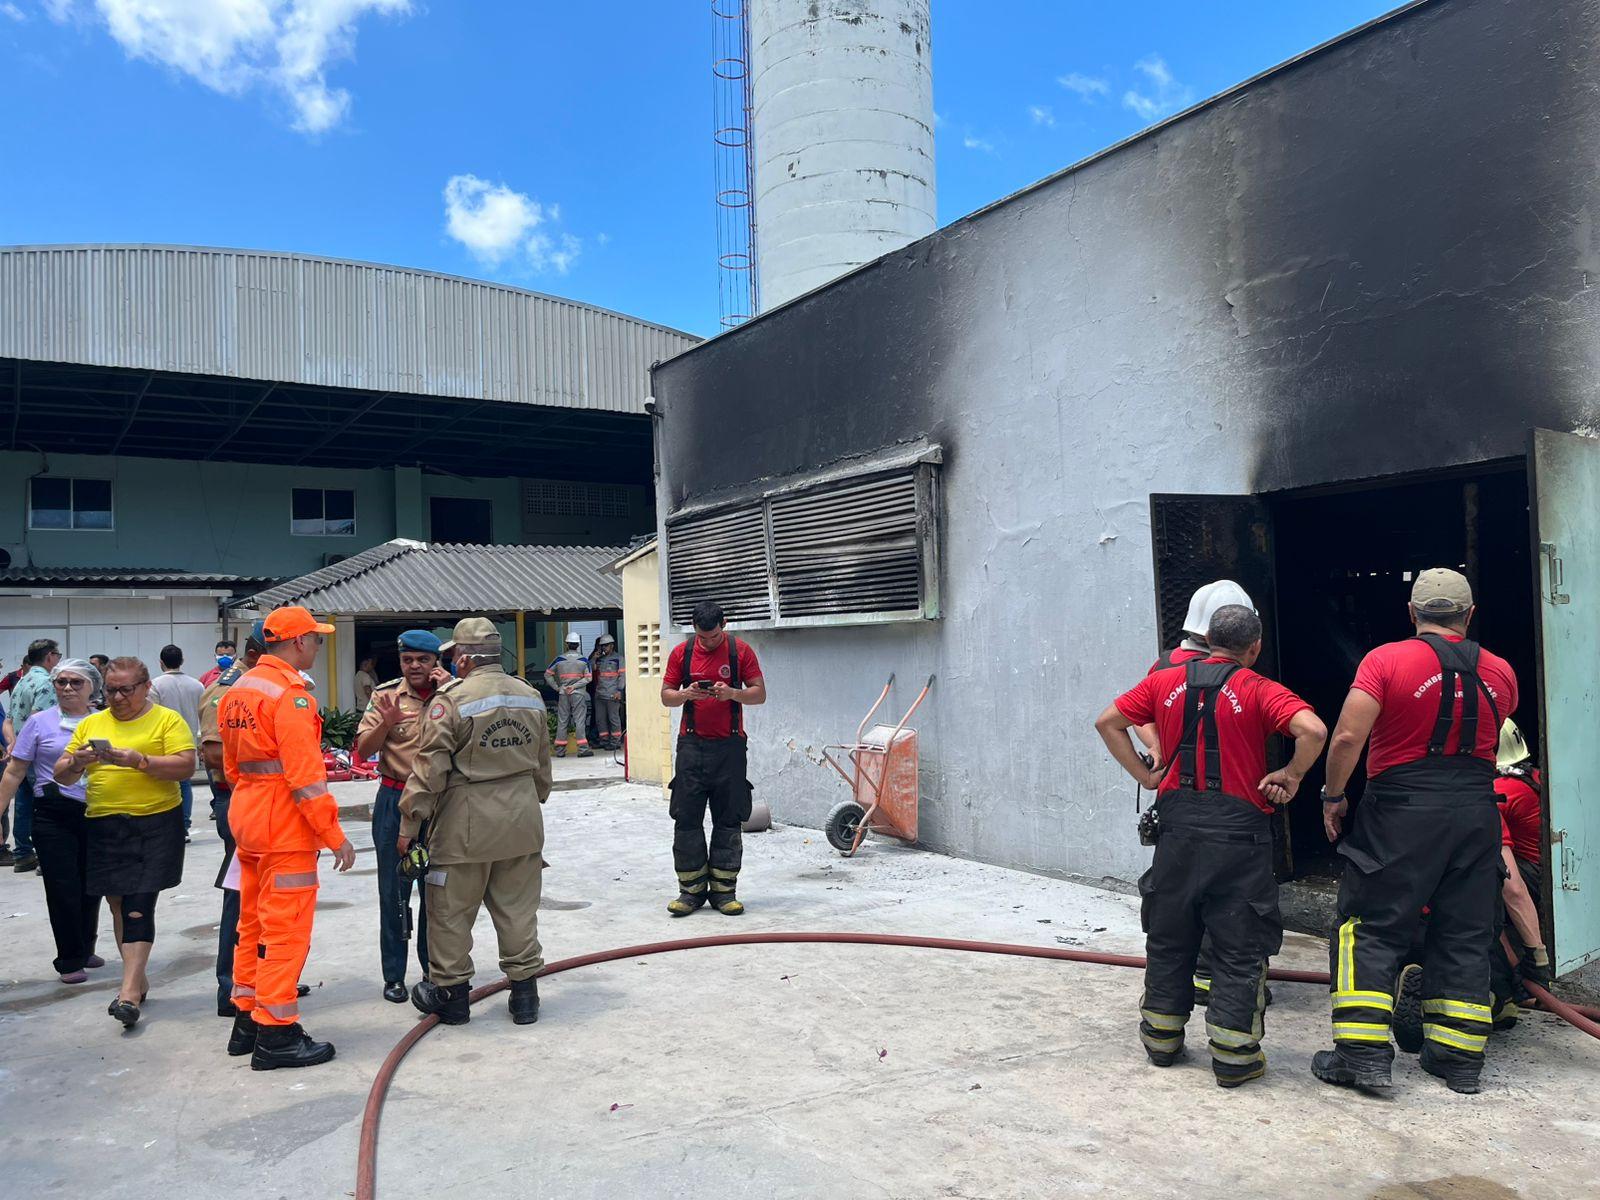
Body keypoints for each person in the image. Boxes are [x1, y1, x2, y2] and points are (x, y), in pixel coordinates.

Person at [1095, 605, 1326, 1087]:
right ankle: (1234, 1057)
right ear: (1255, 647)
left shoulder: (1164, 681)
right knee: (1239, 945)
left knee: (1170, 934)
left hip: (1177, 832)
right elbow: (1314, 730)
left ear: (1204, 640)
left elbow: (1107, 722)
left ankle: (1160, 1041)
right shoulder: (1260, 689)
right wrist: (1292, 775)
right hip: (1239, 837)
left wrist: (1144, 774)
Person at [1315, 568, 1517, 1096]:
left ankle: (1361, 1057)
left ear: (1412, 614)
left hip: (1401, 811)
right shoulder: (1501, 672)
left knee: (1371, 924)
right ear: (1470, 616)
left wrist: (1334, 797)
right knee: (1467, 929)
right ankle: (1459, 1059)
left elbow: (1346, 738)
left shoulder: (1385, 661)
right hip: (1476, 811)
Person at [218, 606, 356, 1069]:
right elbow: (306, 779)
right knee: (285, 934)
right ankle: (277, 1035)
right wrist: (335, 836)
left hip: (250, 819)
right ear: (297, 642)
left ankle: (248, 1019)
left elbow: (232, 768)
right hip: (285, 828)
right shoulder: (291, 696)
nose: (319, 646)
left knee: (251, 926)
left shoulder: (238, 690)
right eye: (316, 639)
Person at [400, 617, 552, 1026]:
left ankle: (451, 997)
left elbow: (429, 771)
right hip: (522, 820)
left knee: (450, 911)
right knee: (519, 910)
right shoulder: (530, 695)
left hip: (465, 825)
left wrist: (409, 824)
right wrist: (529, 798)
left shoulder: (450, 700)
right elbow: (542, 768)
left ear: (463, 659)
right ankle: (524, 996)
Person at [55, 657, 195, 1030]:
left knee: (137, 904)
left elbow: (186, 766)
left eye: (125, 690)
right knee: (117, 901)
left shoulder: (166, 720)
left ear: (146, 686)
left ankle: (128, 993)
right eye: (111, 690)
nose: (117, 697)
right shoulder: (91, 723)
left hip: (155, 821)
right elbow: (61, 775)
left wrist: (141, 761)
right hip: (104, 823)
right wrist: (79, 762)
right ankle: (139, 979)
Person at [1141, 580, 1258, 1007]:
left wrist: (1155, 751)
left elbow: (1130, 713)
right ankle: (1216, 979)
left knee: (1177, 891)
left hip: (1178, 800)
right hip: (1232, 801)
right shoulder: (1238, 670)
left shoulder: (1166, 665)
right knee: (1230, 891)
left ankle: (1182, 986)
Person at [355, 630, 448, 1003]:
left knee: (438, 893)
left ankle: (434, 969)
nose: (414, 667)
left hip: (440, 805)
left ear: (435, 662)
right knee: (394, 893)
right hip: (394, 801)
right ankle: (394, 974)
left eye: (422, 660)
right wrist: (386, 723)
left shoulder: (452, 694)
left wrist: (448, 691)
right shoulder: (386, 696)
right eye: (408, 660)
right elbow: (363, 749)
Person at [0, 659, 106, 982]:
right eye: (61, 682)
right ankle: (70, 959)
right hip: (53, 814)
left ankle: (86, 946)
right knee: (62, 886)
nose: (68, 688)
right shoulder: (39, 722)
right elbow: (16, 770)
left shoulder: (104, 721)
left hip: (97, 812)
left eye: (76, 682)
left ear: (92, 687)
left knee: (92, 885)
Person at [660, 600, 767, 917]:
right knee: (686, 819)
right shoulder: (682, 653)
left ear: (725, 625)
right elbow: (666, 696)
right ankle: (690, 892)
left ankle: (724, 893)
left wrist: (733, 693)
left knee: (729, 819)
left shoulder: (740, 651)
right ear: (694, 629)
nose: (708, 642)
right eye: (702, 637)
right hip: (691, 748)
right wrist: (686, 694)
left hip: (730, 749)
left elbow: (759, 693)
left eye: (714, 637)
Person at [4, 637, 63, 872]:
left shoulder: (21, 682)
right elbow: (39, 720)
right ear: (49, 656)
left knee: (23, 805)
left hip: (21, 754)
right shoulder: (47, 683)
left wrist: (13, 744)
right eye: (57, 655)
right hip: (39, 757)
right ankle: (45, 855)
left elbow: (8, 720)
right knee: (45, 805)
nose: (58, 659)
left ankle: (22, 854)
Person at [149, 644, 205, 839]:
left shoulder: (155, 685)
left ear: (161, 663)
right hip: (188, 739)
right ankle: (184, 826)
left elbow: (152, 715)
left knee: (165, 785)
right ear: (182, 661)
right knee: (185, 783)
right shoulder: (197, 685)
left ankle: (168, 826)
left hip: (162, 741)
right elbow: (203, 716)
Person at [545, 632, 593, 758]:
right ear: (578, 644)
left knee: (562, 720)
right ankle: (582, 749)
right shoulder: (583, 660)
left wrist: (558, 688)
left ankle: (560, 750)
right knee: (579, 721)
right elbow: (589, 678)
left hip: (563, 694)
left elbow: (547, 674)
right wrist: (575, 686)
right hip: (578, 694)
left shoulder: (559, 659)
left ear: (567, 644)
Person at [591, 633, 626, 751]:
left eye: (606, 646)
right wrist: (594, 658)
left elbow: (622, 676)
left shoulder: (619, 659)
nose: (604, 648)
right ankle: (604, 740)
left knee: (613, 718)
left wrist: (619, 691)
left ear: (612, 646)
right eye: (602, 646)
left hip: (613, 694)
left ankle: (615, 742)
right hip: (600, 694)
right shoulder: (599, 659)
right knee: (600, 719)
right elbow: (590, 670)